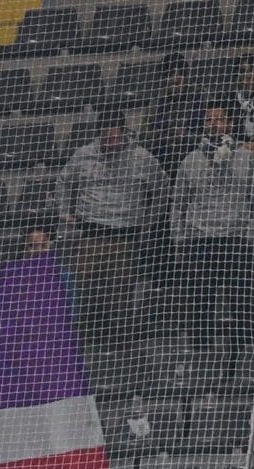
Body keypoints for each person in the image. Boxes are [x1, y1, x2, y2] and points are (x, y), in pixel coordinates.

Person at [168, 105, 254, 366]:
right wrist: (181, 242)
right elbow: (178, 204)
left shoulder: (246, 158)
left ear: (229, 123)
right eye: (209, 119)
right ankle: (203, 362)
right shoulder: (190, 161)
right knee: (200, 305)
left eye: (219, 119)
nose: (214, 123)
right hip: (200, 242)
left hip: (236, 240)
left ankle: (244, 359)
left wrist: (251, 239)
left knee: (242, 303)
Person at [54, 112, 167, 342]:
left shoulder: (140, 157)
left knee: (120, 292)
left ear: (124, 134)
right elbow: (64, 180)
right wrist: (65, 211)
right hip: (91, 234)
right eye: (108, 138)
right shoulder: (84, 155)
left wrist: (150, 219)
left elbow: (162, 187)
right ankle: (84, 339)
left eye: (117, 137)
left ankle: (118, 343)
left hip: (125, 237)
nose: (113, 142)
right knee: (85, 288)